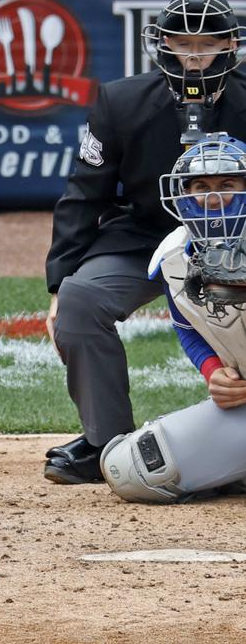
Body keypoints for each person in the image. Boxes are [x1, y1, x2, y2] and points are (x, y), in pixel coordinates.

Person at [44, 0, 246, 485]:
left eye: (208, 44)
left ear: (230, 47)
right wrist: (59, 286)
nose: (196, 56)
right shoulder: (121, 100)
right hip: (145, 235)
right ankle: (105, 444)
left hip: (242, 238)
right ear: (163, 46)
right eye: (183, 44)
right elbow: (84, 192)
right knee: (82, 300)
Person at [101, 133, 246, 503]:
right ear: (185, 196)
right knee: (131, 470)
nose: (213, 197)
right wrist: (213, 371)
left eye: (228, 184)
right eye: (202, 186)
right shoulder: (174, 258)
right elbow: (189, 329)